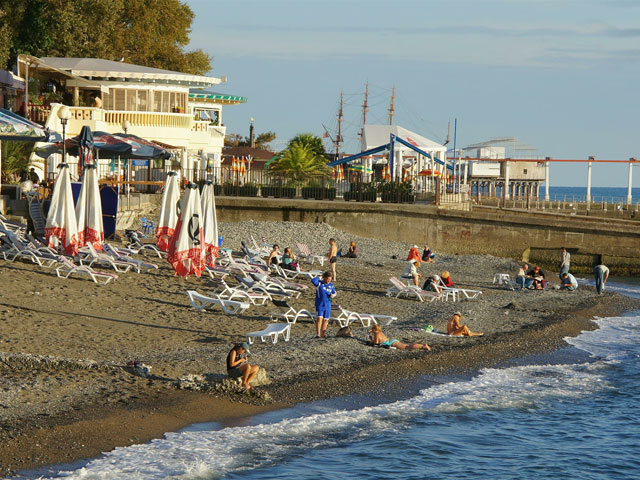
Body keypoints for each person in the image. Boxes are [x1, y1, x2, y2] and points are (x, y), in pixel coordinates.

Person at [312, 271, 336, 338]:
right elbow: (313, 280)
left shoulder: (331, 285)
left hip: (327, 305)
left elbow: (334, 293)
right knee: (319, 319)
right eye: (327, 279)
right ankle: (318, 334)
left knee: (325, 320)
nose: (329, 280)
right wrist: (321, 276)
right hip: (320, 304)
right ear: (324, 278)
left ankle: (323, 334)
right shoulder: (319, 283)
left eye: (330, 279)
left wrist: (332, 295)